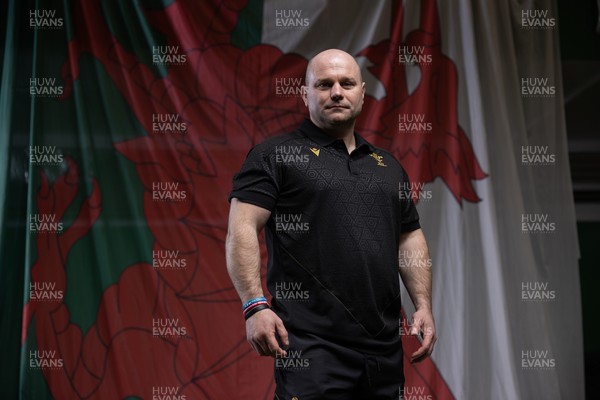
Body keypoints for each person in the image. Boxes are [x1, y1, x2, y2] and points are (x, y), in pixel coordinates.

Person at [226, 48, 436, 400]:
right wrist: (254, 306)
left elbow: (409, 237)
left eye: (346, 83)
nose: (336, 92)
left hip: (383, 350)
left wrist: (424, 305)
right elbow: (242, 229)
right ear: (305, 94)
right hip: (312, 348)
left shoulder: (387, 167)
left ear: (362, 93)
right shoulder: (274, 156)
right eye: (324, 84)